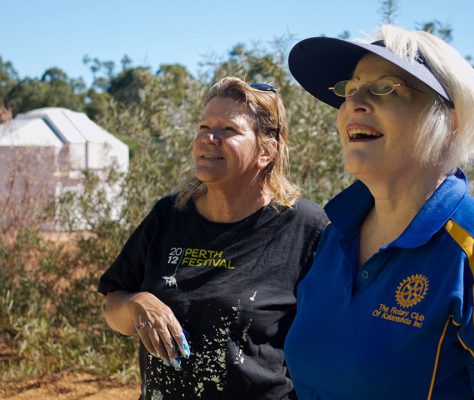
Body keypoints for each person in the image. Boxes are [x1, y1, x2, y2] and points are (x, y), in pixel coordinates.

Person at [283, 25, 474, 400]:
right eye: (350, 89)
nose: (354, 103)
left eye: (385, 87)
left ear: (450, 120)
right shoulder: (335, 236)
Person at [98, 77, 328, 400]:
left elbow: (329, 345)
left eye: (229, 130)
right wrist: (138, 304)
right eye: (204, 126)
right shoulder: (167, 216)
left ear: (267, 150)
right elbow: (113, 307)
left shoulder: (305, 227)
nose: (209, 138)